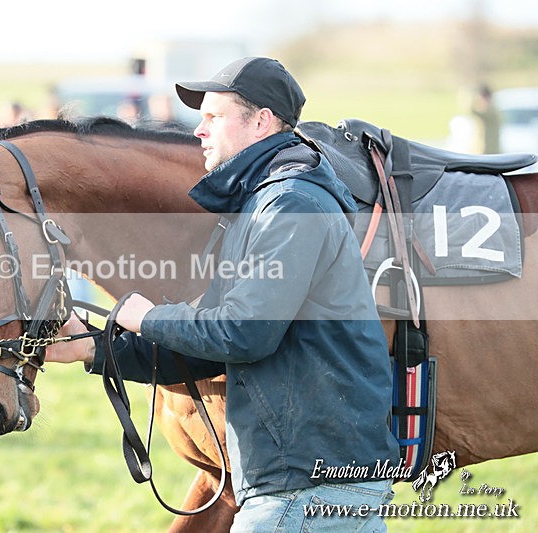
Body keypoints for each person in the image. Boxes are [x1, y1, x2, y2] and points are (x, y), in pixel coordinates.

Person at [46, 57, 400, 531]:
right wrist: (94, 348)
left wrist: (148, 317)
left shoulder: (289, 205)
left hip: (307, 487)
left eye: (214, 116)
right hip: (301, 481)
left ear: (261, 122)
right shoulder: (262, 204)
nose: (198, 130)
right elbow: (212, 349)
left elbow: (243, 335)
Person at [471, 83, 501, 154]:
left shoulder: (491, 111)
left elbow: (473, 110)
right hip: (488, 150)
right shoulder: (493, 109)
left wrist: (470, 97)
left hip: (489, 151)